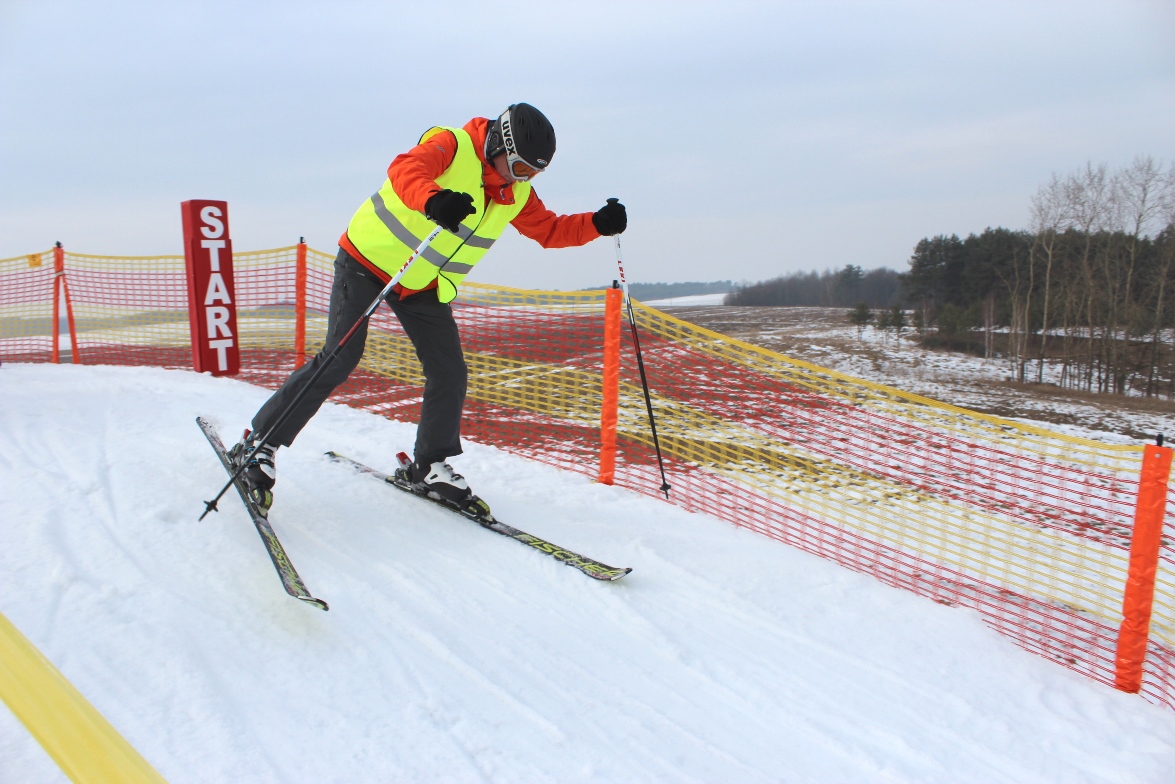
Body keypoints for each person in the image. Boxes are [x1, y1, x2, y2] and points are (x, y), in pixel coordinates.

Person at [232, 103, 627, 516]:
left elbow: (548, 229)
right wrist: (434, 200)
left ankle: (429, 465)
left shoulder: (515, 192)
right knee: (340, 356)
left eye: (532, 173)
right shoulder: (451, 146)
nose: (522, 178)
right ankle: (260, 443)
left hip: (421, 283)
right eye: (519, 167)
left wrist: (597, 224)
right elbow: (405, 169)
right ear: (497, 144)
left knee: (449, 370)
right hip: (367, 262)